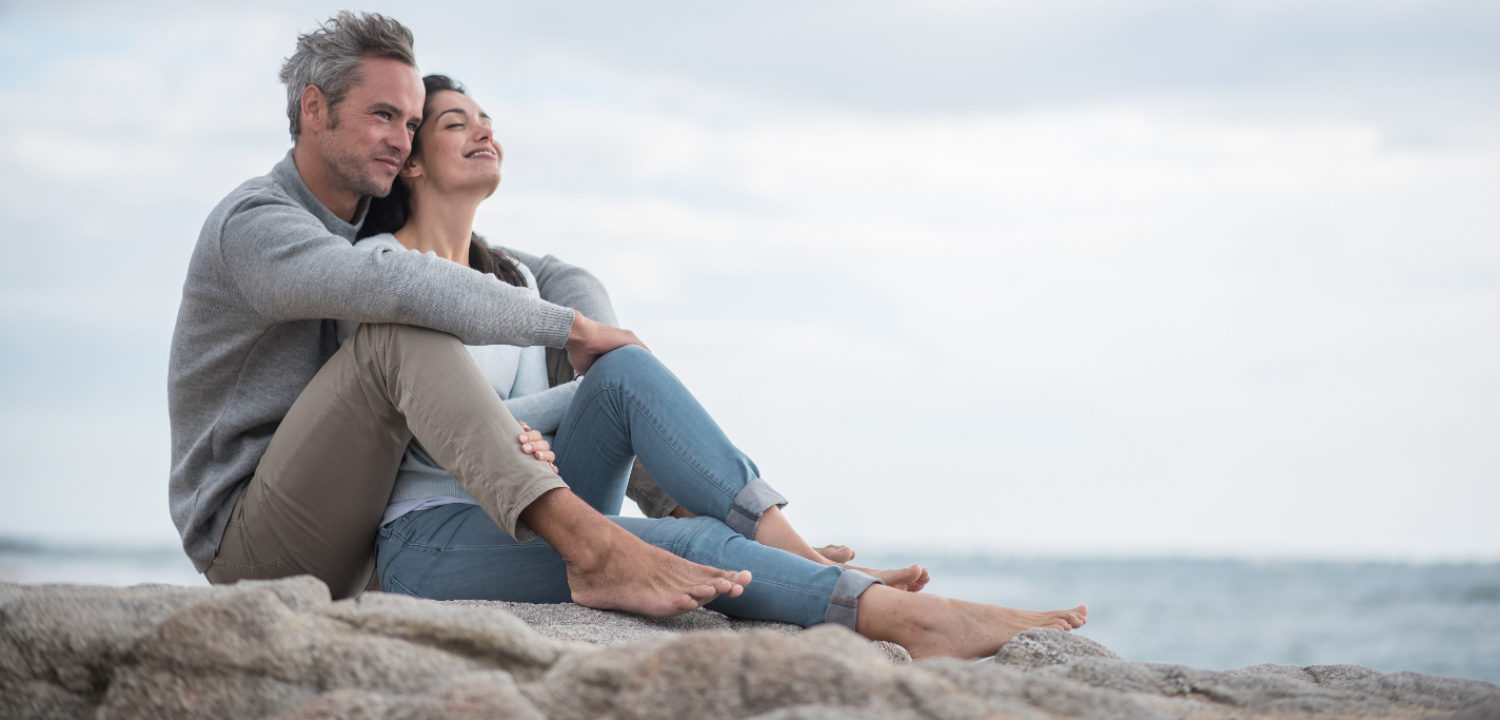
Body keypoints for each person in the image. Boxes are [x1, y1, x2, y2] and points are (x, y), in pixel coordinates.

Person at [347, 73, 1089, 659]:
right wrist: (517, 432)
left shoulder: (519, 287)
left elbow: (525, 431)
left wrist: (528, 430)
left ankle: (799, 552)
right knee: (695, 541)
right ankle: (913, 621)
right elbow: (422, 427)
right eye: (456, 123)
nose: (484, 131)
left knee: (625, 370)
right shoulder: (383, 268)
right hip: (432, 537)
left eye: (489, 122)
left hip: (543, 511)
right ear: (410, 161)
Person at [168, 11, 751, 616]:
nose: (400, 139)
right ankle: (592, 546)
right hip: (252, 539)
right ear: (314, 109)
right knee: (400, 337)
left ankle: (727, 519)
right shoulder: (256, 225)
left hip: (358, 517)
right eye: (383, 116)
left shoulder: (366, 214)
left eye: (411, 122)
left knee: (609, 368)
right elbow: (402, 284)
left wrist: (595, 336)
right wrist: (571, 329)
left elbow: (539, 270)